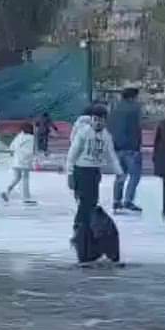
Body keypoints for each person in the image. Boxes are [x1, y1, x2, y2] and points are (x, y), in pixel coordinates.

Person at [65, 106, 123, 249]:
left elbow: (111, 156)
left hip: (94, 172)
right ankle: (78, 231)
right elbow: (72, 155)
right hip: (81, 170)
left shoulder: (106, 136)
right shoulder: (83, 133)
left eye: (101, 120)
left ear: (105, 121)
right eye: (95, 120)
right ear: (91, 119)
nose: (98, 123)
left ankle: (87, 233)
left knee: (92, 203)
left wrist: (119, 172)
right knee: (84, 202)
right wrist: (70, 174)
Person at [108, 87, 144, 214]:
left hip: (117, 147)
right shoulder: (135, 109)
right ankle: (128, 200)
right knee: (134, 175)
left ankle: (116, 200)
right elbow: (136, 128)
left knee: (120, 175)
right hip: (131, 147)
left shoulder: (114, 108)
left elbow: (110, 127)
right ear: (133, 97)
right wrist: (137, 145)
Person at [2, 122, 37, 205]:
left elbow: (11, 148)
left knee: (17, 178)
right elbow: (30, 151)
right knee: (25, 179)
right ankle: (26, 197)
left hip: (15, 160)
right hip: (25, 161)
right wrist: (33, 159)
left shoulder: (19, 136)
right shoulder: (31, 137)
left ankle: (6, 191)